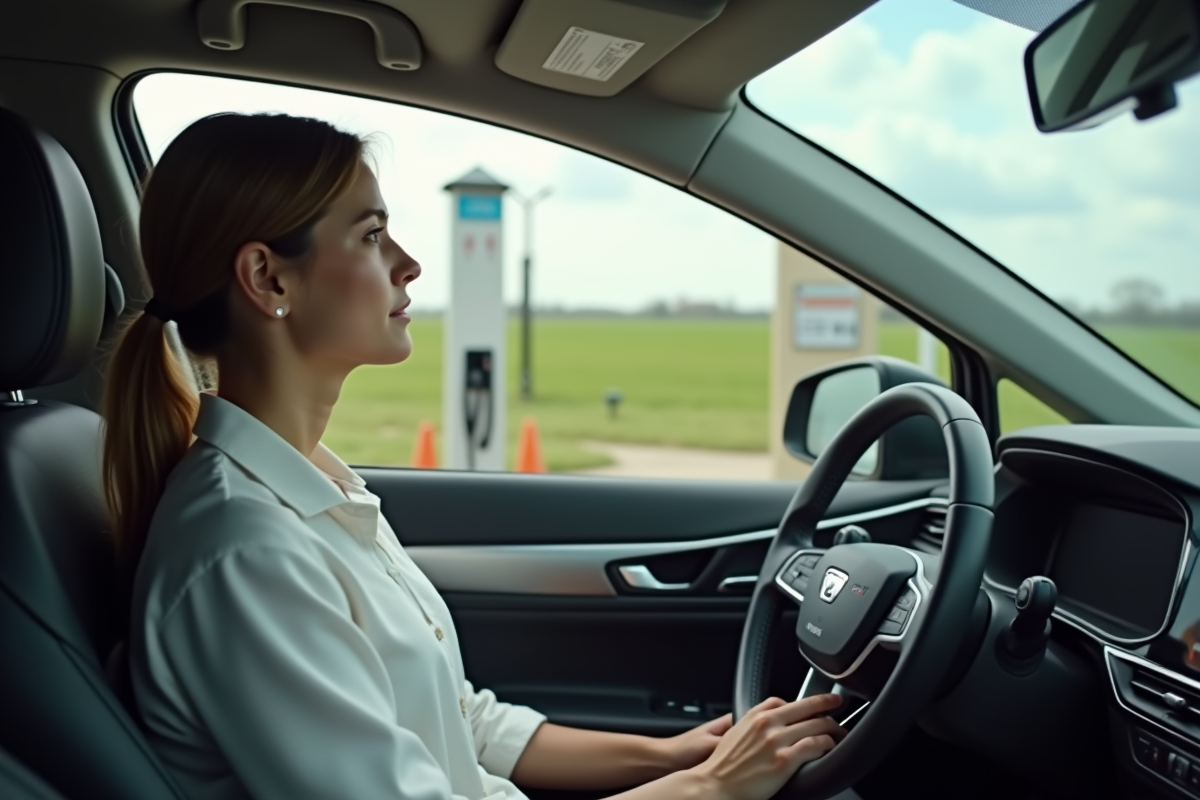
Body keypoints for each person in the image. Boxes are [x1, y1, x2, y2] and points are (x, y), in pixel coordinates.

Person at [102, 112, 845, 800]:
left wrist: (680, 755)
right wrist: (713, 790)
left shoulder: (313, 486)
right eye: (370, 236)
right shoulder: (246, 554)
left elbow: (461, 723)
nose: (410, 264)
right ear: (269, 278)